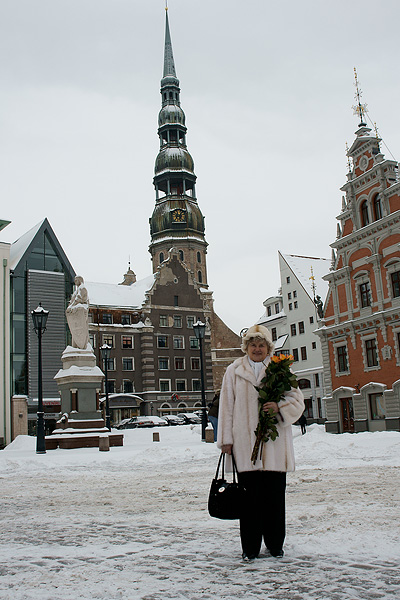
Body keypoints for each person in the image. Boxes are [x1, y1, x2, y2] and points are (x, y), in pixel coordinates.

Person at [217, 325, 304, 561]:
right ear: (246, 348)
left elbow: (297, 401)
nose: (257, 349)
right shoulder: (233, 371)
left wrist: (279, 408)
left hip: (275, 448)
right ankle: (250, 548)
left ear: (268, 348)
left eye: (261, 345)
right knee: (250, 502)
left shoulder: (279, 370)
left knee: (275, 500)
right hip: (246, 447)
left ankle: (275, 545)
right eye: (253, 345)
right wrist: (226, 440)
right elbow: (226, 407)